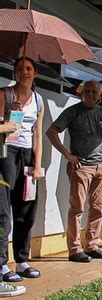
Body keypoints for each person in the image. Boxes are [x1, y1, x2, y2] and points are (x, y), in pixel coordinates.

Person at [46, 80, 102, 263]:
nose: (90, 94)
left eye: (94, 92)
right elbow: (51, 132)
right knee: (77, 208)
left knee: (97, 209)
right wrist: (67, 155)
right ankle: (74, 249)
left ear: (100, 95)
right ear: (81, 93)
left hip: (100, 166)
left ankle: (92, 246)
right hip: (80, 167)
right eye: (87, 91)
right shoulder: (73, 111)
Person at [0, 57, 44, 286]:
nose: (24, 72)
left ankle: (22, 260)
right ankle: (1, 263)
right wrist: (8, 120)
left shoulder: (39, 99)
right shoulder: (5, 94)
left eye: (28, 69)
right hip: (7, 153)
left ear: (35, 73)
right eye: (19, 69)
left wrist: (37, 164)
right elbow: (4, 128)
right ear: (15, 72)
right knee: (3, 211)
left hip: (28, 156)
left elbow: (37, 134)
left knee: (26, 209)